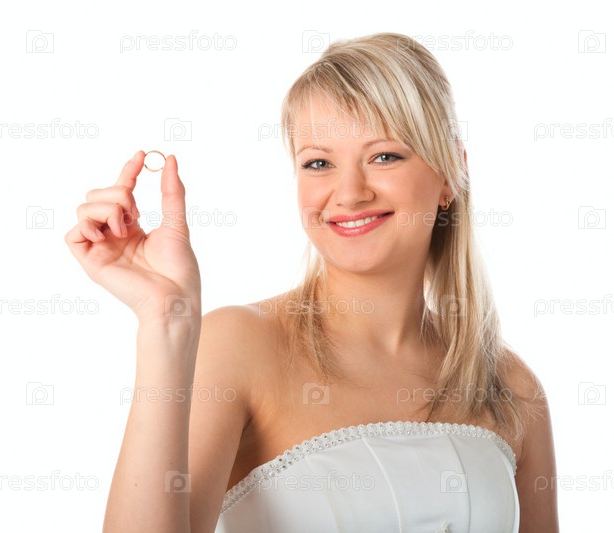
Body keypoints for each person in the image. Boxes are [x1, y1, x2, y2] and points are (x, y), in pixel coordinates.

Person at [65, 32, 559, 533]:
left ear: (451, 174)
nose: (350, 193)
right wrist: (164, 323)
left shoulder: (512, 387)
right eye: (319, 163)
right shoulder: (238, 347)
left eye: (384, 156)